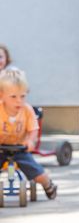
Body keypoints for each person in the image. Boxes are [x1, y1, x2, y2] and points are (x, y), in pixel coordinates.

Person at [0, 69, 57, 199]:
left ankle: (48, 184)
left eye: (23, 96)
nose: (19, 101)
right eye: (13, 97)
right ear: (1, 95)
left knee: (38, 174)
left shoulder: (27, 110)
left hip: (20, 149)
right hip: (1, 148)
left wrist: (31, 141)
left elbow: (33, 129)